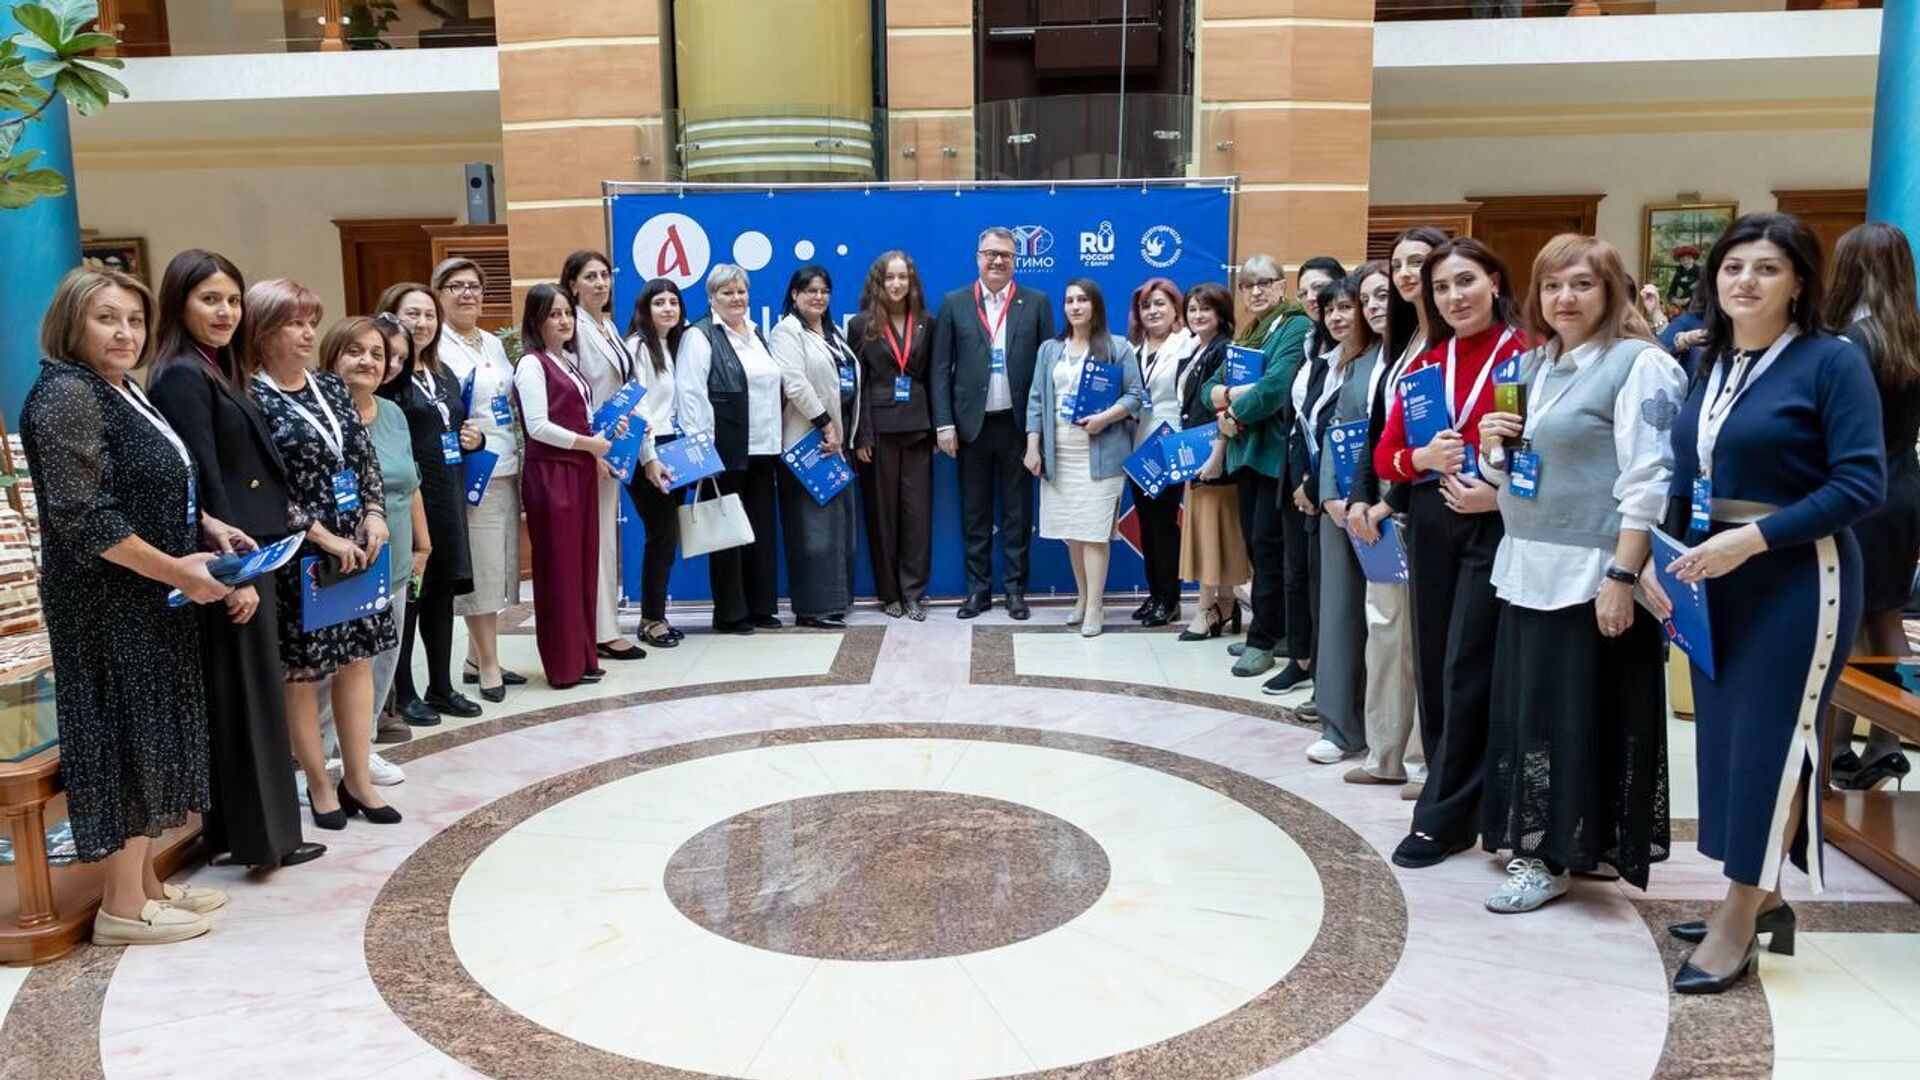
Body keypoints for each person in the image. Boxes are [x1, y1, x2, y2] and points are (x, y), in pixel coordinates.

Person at [1651, 213, 1884, 993]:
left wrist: (1750, 541)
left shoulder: (1831, 361)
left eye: (1767, 268)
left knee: (1771, 746)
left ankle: (1739, 918)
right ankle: (1763, 895)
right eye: (1732, 267)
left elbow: (1861, 484)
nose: (1745, 280)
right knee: (1722, 744)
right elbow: (1689, 472)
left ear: (1799, 283)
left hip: (1797, 577)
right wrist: (1661, 561)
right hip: (1714, 576)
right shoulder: (1711, 361)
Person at [24, 267, 234, 944]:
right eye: (107, 318)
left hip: (149, 594)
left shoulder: (121, 388)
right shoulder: (66, 393)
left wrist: (207, 528)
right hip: (105, 601)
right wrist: (177, 569)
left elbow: (153, 483)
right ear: (72, 323)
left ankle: (145, 885)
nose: (126, 333)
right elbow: (84, 516)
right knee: (126, 737)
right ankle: (120, 908)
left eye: (136, 320)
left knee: (153, 734)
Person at [1475, 235, 1684, 913]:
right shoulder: (1534, 366)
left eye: (1582, 284)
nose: (1565, 298)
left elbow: (1649, 477)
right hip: (1529, 563)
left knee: (1580, 712)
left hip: (1593, 570)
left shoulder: (1638, 365)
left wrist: (1622, 575)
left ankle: (1551, 854)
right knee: (1537, 711)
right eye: (1552, 285)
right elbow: (1518, 473)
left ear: (1613, 291)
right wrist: (1492, 448)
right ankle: (1566, 840)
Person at [146, 250, 323, 871]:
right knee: (248, 700)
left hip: (253, 550)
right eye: (210, 300)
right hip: (234, 558)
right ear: (179, 304)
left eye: (232, 300)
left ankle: (240, 834)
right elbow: (202, 477)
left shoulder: (215, 366)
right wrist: (233, 576)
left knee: (248, 695)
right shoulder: (181, 374)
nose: (225, 312)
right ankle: (265, 842)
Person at [1373, 237, 1528, 869]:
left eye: (1465, 281)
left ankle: (1442, 817)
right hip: (1432, 521)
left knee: (1468, 665)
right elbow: (1386, 457)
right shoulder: (1427, 366)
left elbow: (1550, 450)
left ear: (1495, 281)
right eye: (1441, 288)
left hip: (1496, 525)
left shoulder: (1525, 355)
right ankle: (1452, 798)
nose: (1454, 296)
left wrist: (1501, 496)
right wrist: (1422, 457)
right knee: (1435, 667)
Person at [245, 279, 400, 830]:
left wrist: (374, 513)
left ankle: (357, 778)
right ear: (263, 330)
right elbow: (261, 486)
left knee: (358, 661)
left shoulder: (331, 388)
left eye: (312, 321)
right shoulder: (252, 398)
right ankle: (318, 783)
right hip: (299, 554)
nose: (308, 333)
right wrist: (321, 535)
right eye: (294, 323)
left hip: (356, 544)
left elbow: (363, 460)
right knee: (304, 674)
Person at [1345, 229, 1443, 795]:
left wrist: (1388, 503)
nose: (1407, 274)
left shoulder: (1448, 344)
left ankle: (1424, 761)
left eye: (1419, 263)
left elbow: (1437, 443)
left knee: (1423, 641)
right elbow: (1377, 434)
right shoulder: (1399, 344)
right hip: (1381, 509)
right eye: (1399, 264)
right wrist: (1362, 497)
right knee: (1384, 633)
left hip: (1418, 504)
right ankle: (1384, 753)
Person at [1824, 222, 1920, 790]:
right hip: (1904, 488)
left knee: (1845, 620)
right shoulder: (1909, 333)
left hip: (1861, 496)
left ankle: (1838, 744)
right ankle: (1884, 740)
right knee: (1886, 617)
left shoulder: (1850, 342)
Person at [314, 315, 427, 791]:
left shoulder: (393, 414)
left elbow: (411, 482)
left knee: (382, 658)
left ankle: (361, 749)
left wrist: (423, 544)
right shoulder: (316, 415)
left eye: (377, 355)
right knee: (330, 669)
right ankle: (319, 759)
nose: (368, 362)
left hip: (392, 559)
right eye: (355, 351)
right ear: (332, 356)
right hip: (337, 563)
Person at [931, 225, 1055, 620]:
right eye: (990, 254)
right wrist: (944, 423)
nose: (997, 260)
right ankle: (977, 592)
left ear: (1016, 260)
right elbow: (939, 368)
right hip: (972, 427)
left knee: (1018, 515)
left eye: (1005, 254)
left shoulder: (1036, 302)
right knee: (975, 514)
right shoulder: (955, 302)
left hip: (1019, 428)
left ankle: (1016, 591)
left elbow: (1047, 371)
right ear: (978, 258)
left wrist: (1040, 430)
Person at [376, 282, 481, 723]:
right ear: (391, 318)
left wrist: (472, 439)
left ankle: (442, 686)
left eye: (429, 315)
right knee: (409, 597)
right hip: (409, 502)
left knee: (440, 594)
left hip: (447, 495)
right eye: (412, 314)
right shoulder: (388, 378)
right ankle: (404, 692)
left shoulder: (442, 373)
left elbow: (452, 425)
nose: (422, 323)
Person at [1207, 256, 1313, 680]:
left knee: (1269, 550)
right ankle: (1278, 629)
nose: (1255, 291)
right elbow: (1208, 389)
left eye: (1264, 282)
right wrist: (1230, 395)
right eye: (1247, 284)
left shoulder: (1296, 326)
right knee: (1258, 547)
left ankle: (1262, 640)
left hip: (1273, 457)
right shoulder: (1248, 332)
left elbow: (1276, 387)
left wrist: (1234, 413)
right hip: (1245, 457)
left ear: (1282, 285)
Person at [1023, 279, 1144, 636]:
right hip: (1059, 455)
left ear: (1096, 305)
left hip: (1101, 457)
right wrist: (1032, 447)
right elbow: (1036, 400)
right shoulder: (1050, 350)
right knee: (1074, 534)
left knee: (1093, 533)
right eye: (1069, 300)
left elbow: (1136, 395)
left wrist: (1104, 418)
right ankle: (1082, 597)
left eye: (1082, 300)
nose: (1075, 306)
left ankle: (1095, 606)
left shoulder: (1117, 347)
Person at [1297, 270, 1384, 765]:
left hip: (1390, 502)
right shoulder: (1355, 361)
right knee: (1339, 613)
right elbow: (1337, 431)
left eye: (1379, 298)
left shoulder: (1410, 356)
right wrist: (1331, 494)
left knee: (1390, 627)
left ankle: (1389, 731)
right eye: (1364, 299)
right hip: (1343, 507)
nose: (1371, 308)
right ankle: (1340, 725)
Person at [430, 257, 525, 701]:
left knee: (500, 565)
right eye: (455, 286)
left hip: (505, 463)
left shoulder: (491, 342)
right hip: (472, 470)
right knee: (482, 569)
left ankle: (476, 657)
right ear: (439, 294)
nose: (467, 294)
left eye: (474, 286)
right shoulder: (436, 346)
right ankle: (487, 665)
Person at [678, 264, 784, 633]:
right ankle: (731, 613)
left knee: (759, 530)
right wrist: (703, 452)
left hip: (765, 448)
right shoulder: (699, 336)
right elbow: (690, 396)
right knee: (727, 534)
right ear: (711, 297)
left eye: (741, 291)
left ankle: (760, 607)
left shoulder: (755, 333)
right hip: (724, 450)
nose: (736, 298)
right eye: (727, 292)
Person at [513, 284, 609, 687]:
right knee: (560, 570)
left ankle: (583, 655)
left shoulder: (566, 361)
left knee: (582, 567)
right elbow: (538, 427)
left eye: (567, 312)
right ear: (536, 319)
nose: (564, 320)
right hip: (552, 475)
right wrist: (588, 444)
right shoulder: (531, 364)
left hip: (579, 470)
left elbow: (577, 418)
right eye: (554, 314)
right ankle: (563, 665)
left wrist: (598, 447)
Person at [560, 250, 647, 661]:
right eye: (590, 277)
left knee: (605, 537)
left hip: (616, 443)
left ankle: (603, 623)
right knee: (595, 540)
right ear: (573, 285)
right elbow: (573, 394)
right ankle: (601, 630)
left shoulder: (607, 325)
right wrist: (591, 447)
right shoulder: (573, 327)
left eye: (604, 275)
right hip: (590, 448)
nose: (600, 283)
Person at [1269, 255, 1347, 699]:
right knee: (1295, 573)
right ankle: (1300, 659)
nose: (1312, 299)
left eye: (1320, 289)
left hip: (1328, 484)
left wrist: (1315, 484)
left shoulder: (1350, 351)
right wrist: (1298, 479)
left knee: (1324, 585)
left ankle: (1326, 674)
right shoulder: (1308, 345)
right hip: (1295, 473)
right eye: (1304, 292)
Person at [769, 265, 860, 628]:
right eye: (811, 291)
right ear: (794, 295)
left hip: (837, 446)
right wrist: (826, 424)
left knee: (837, 529)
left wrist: (842, 434)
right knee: (812, 530)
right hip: (808, 444)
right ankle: (812, 609)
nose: (819, 297)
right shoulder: (786, 332)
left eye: (824, 291)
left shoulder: (834, 333)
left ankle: (835, 601)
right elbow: (795, 383)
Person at [851, 251, 935, 620]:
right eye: (890, 277)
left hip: (917, 430)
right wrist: (862, 436)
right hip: (879, 434)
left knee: (917, 517)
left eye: (903, 277)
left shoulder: (927, 322)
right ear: (878, 282)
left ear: (912, 281)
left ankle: (914, 592)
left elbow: (934, 377)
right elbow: (858, 384)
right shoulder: (861, 325)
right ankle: (889, 593)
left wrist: (937, 429)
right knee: (882, 516)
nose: (897, 284)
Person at [1176, 284, 1250, 640]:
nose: (1197, 315)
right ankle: (1224, 603)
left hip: (1214, 457)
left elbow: (1228, 409)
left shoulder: (1225, 350)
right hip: (1196, 453)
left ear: (1221, 313)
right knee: (1211, 533)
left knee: (1211, 535)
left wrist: (1218, 454)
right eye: (1192, 309)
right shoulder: (1197, 348)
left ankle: (1206, 610)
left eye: (1205, 309)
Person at [1127, 277, 1198, 627]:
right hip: (1139, 446)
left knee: (1164, 525)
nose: (1152, 311)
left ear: (1175, 309)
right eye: (1146, 306)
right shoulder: (1134, 349)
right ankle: (1155, 594)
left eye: (1160, 304)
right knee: (1147, 525)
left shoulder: (1188, 344)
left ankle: (1170, 600)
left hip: (1170, 444)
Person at [624, 277, 688, 648]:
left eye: (673, 302)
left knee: (668, 535)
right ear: (645, 309)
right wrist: (648, 457)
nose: (668, 308)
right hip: (646, 450)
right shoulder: (638, 346)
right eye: (659, 302)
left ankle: (656, 615)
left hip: (676, 446)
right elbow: (638, 407)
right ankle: (651, 619)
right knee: (661, 533)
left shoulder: (677, 345)